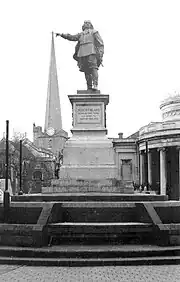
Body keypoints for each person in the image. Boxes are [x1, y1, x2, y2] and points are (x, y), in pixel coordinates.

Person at [56, 20, 104, 91]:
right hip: (82, 53)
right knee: (86, 70)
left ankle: (95, 84)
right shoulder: (81, 34)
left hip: (91, 52)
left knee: (93, 68)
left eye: (87, 23)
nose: (86, 24)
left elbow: (100, 44)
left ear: (90, 25)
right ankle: (89, 86)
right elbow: (72, 37)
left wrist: (100, 53)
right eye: (85, 23)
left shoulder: (94, 32)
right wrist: (62, 35)